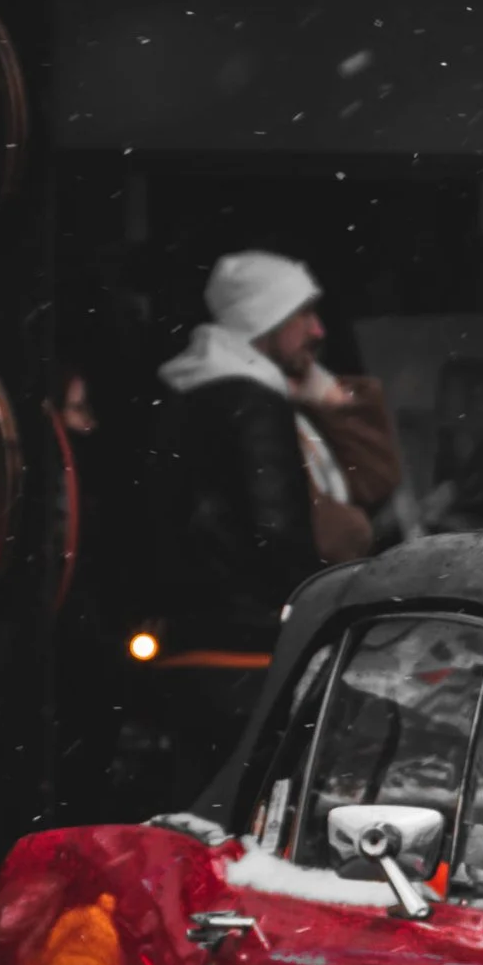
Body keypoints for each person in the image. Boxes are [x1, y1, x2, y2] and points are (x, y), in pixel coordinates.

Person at [148, 253, 405, 761]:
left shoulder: (212, 390)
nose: (317, 330)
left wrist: (327, 397)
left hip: (211, 644)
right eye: (302, 314)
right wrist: (325, 608)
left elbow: (375, 477)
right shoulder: (251, 400)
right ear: (265, 317)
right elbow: (277, 532)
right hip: (250, 649)